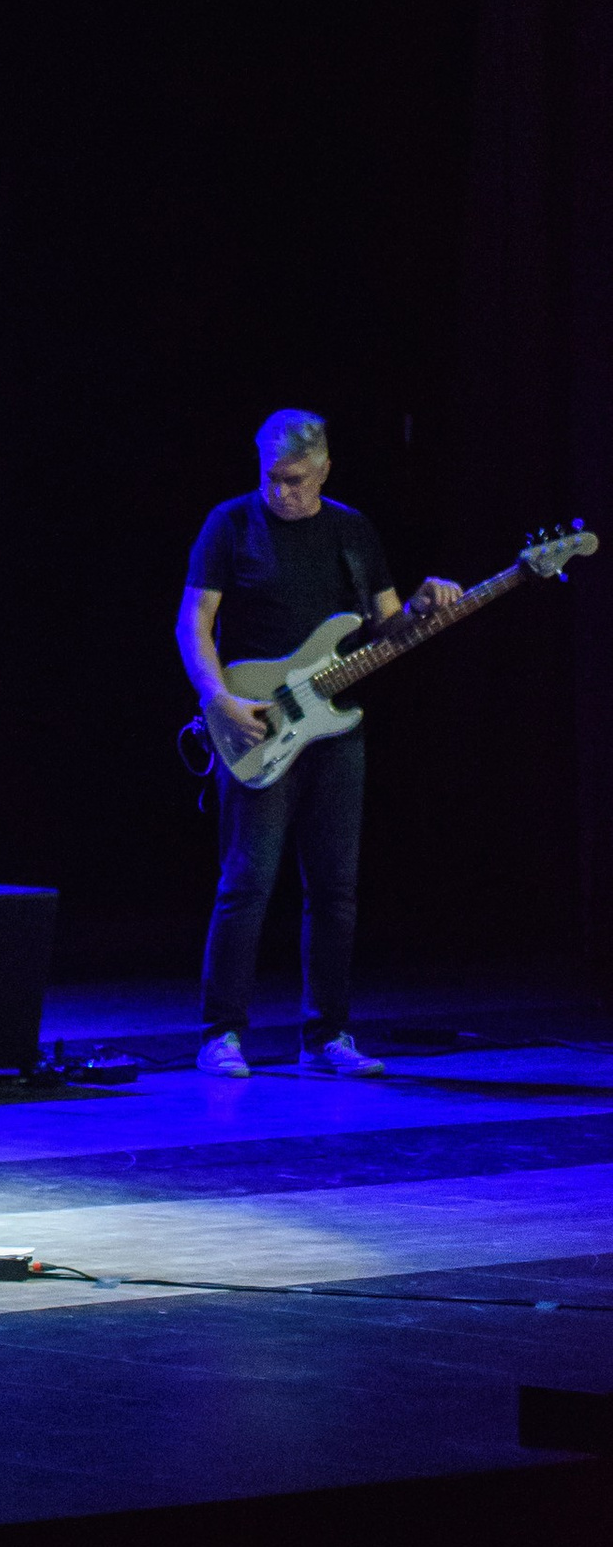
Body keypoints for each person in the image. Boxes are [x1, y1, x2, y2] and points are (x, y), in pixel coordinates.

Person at [178, 407, 461, 1079]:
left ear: (325, 468)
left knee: (335, 889)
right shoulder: (230, 524)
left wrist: (422, 608)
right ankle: (221, 1033)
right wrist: (218, 700)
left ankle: (327, 1035)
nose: (281, 491)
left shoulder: (353, 531)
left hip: (336, 733)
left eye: (296, 479)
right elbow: (193, 623)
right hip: (256, 721)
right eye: (271, 477)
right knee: (246, 882)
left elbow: (387, 628)